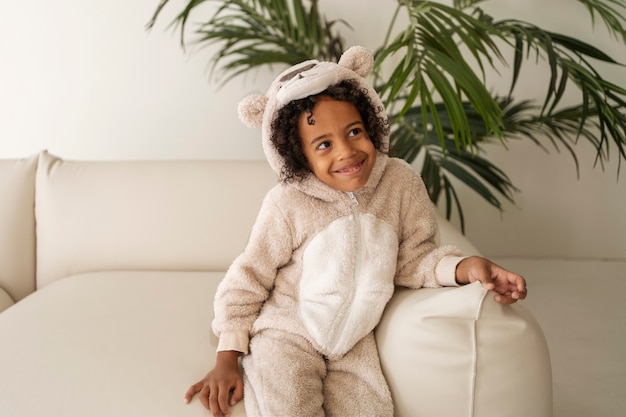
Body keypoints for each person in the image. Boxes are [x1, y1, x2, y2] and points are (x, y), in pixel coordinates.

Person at [184, 46, 527, 417]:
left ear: (372, 124)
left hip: (355, 344)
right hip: (286, 333)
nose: (346, 152)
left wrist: (466, 267)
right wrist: (228, 356)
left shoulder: (400, 183)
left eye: (354, 131)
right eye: (324, 144)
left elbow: (414, 258)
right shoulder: (286, 204)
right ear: (299, 155)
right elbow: (249, 275)